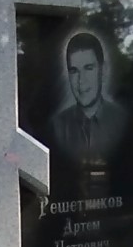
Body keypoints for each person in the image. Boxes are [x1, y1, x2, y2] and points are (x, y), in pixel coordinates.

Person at [49, 32, 128, 187]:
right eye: (74, 71)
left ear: (102, 71)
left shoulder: (122, 121)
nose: (81, 81)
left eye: (88, 68)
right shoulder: (56, 127)